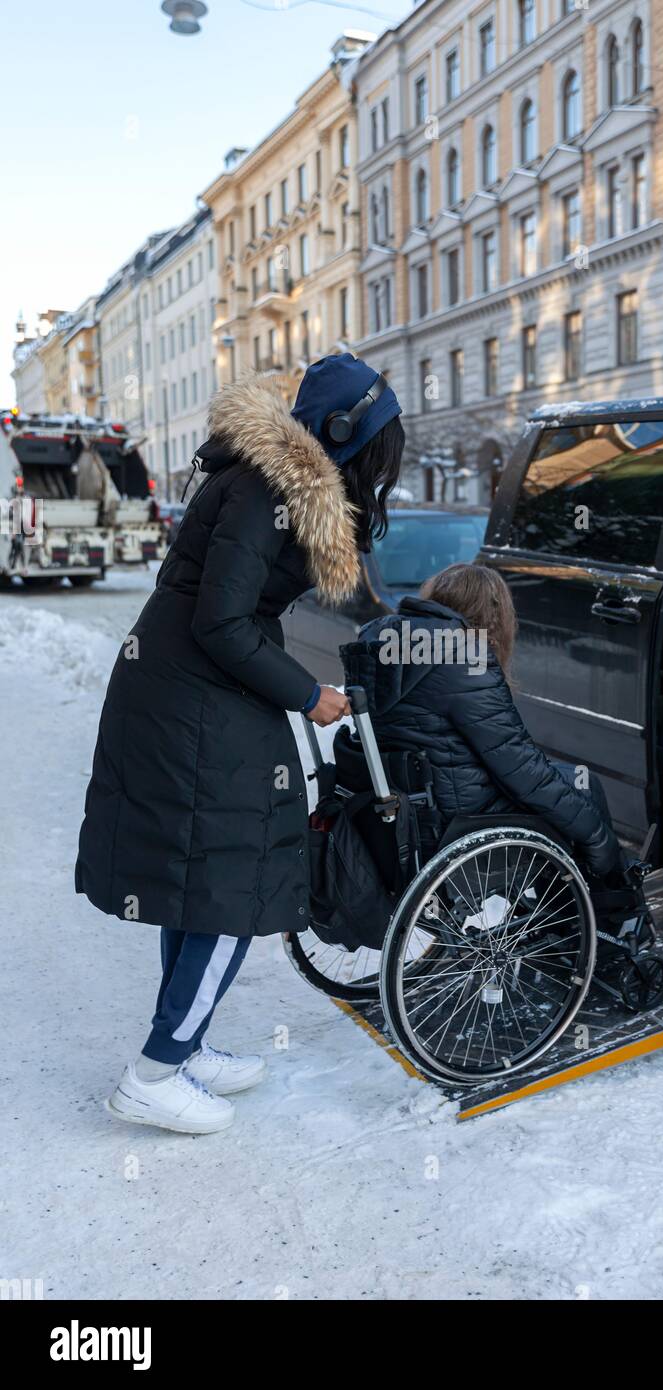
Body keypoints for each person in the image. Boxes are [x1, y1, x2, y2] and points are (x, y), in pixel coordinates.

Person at [76, 355, 403, 1134]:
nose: (391, 455)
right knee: (234, 874)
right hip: (189, 696)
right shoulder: (263, 490)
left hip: (195, 690)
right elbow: (219, 623)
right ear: (345, 432)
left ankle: (182, 1048)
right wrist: (308, 694)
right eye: (385, 437)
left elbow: (305, 602)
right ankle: (156, 1071)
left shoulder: (283, 489)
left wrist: (415, 620)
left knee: (203, 873)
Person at [340, 562, 623, 876]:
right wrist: (600, 841)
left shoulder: (379, 642)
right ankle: (611, 902)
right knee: (583, 787)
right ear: (493, 615)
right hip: (456, 824)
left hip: (406, 814)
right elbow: (523, 771)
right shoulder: (466, 658)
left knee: (564, 788)